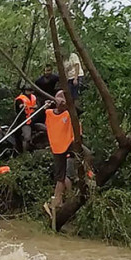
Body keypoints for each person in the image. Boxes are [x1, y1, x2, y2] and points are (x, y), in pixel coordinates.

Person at [43, 90, 79, 221]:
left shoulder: (69, 115)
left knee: (63, 176)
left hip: (69, 147)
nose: (61, 105)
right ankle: (63, 200)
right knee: (61, 176)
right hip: (57, 148)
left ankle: (58, 200)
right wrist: (46, 105)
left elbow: (76, 131)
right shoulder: (48, 113)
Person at [14, 84, 40, 152]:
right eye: (28, 90)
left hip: (33, 119)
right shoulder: (20, 99)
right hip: (24, 121)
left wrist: (36, 106)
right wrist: (23, 106)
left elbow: (38, 105)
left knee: (44, 129)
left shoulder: (34, 97)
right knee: (27, 136)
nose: (29, 92)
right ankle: (25, 153)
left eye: (30, 91)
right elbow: (20, 107)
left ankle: (36, 144)